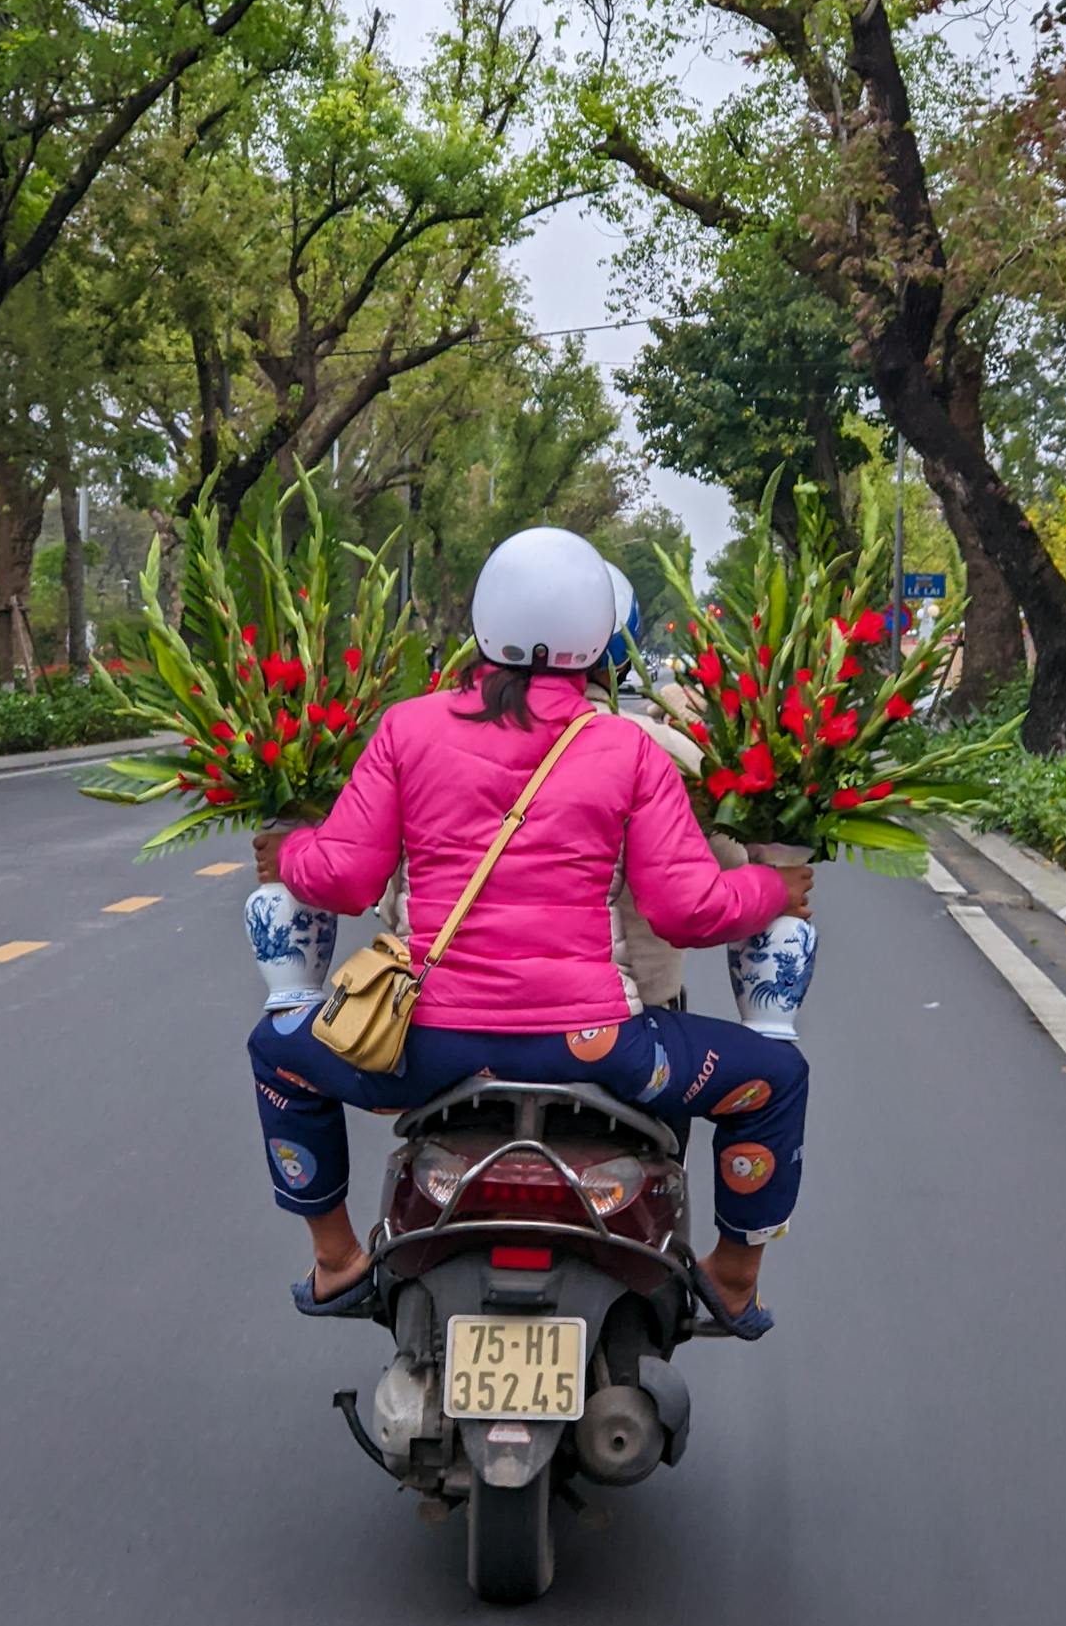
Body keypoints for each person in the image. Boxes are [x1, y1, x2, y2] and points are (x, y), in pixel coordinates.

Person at [249, 526, 812, 1341]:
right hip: (598, 1047)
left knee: (277, 1054)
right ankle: (730, 1277)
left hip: (424, 1047)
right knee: (777, 1079)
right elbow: (686, 910)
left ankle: (336, 1257)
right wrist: (772, 887)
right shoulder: (628, 748)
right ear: (599, 638)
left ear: (482, 623)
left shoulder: (406, 731)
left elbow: (342, 878)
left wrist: (288, 849)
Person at [588, 559, 754, 1014]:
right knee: (781, 1073)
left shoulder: (423, 735)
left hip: (445, 1025)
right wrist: (776, 889)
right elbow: (717, 877)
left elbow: (386, 896)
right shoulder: (657, 747)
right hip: (629, 1015)